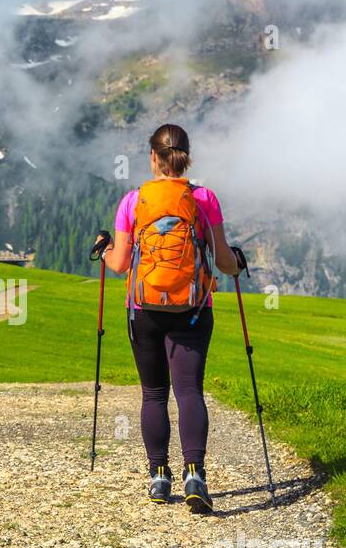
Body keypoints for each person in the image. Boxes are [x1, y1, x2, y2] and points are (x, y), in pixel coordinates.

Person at [97, 123, 245, 512]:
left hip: (144, 310)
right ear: (186, 156)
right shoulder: (204, 198)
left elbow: (119, 264)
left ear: (153, 157)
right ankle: (194, 474)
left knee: (154, 394)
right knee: (190, 392)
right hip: (193, 311)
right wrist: (238, 262)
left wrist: (104, 248)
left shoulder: (133, 201)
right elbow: (225, 262)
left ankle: (159, 477)